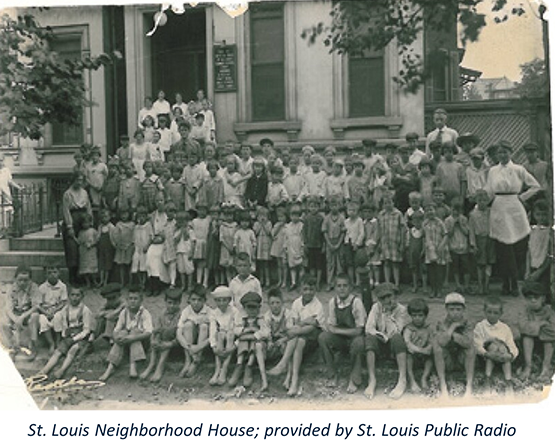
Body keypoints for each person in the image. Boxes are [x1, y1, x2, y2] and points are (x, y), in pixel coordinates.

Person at [485, 140, 541, 296]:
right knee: (502, 248)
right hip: (498, 208)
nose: (502, 155)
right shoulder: (492, 171)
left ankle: (515, 283)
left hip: (514, 207)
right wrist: (481, 200)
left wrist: (522, 198)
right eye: (499, 152)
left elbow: (535, 185)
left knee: (516, 247)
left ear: (511, 152)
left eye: (505, 152)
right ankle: (505, 283)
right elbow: (489, 191)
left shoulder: (518, 169)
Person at [268, 275, 325, 397]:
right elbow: (294, 324)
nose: (308, 292)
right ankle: (291, 379)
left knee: (297, 336)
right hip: (299, 336)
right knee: (298, 340)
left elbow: (313, 326)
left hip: (313, 337)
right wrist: (303, 322)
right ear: (300, 290)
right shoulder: (296, 303)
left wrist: (299, 326)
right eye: (305, 289)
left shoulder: (317, 305)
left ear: (315, 290)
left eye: (311, 289)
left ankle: (285, 368)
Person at [318, 274, 366, 393]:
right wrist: (333, 330)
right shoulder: (333, 302)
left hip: (354, 339)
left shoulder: (356, 302)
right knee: (323, 337)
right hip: (341, 340)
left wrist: (337, 330)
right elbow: (331, 325)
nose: (342, 289)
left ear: (350, 288)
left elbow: (359, 330)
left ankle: (354, 378)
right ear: (335, 288)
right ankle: (332, 374)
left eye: (345, 286)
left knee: (359, 342)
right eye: (339, 286)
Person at [364, 283, 410, 400]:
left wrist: (388, 315)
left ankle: (402, 379)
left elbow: (396, 331)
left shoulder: (401, 310)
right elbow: (369, 327)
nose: (386, 300)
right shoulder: (376, 307)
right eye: (382, 298)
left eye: (389, 296)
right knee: (370, 338)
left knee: (397, 338)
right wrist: (379, 334)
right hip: (380, 342)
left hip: (394, 345)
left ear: (395, 296)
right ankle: (372, 379)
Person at [38, 287, 93, 379]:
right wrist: (64, 335)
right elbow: (63, 323)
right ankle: (44, 371)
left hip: (82, 338)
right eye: (72, 295)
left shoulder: (85, 310)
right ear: (68, 296)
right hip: (69, 336)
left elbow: (86, 330)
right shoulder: (66, 309)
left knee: (73, 350)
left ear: (82, 297)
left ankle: (61, 370)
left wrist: (74, 339)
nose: (74, 298)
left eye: (77, 295)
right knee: (58, 352)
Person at [99, 291, 153, 381]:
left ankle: (133, 366)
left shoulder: (144, 313)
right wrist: (117, 338)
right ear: (127, 300)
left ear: (141, 301)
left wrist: (132, 337)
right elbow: (116, 330)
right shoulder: (124, 312)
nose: (133, 301)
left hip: (141, 343)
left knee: (134, 331)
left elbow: (148, 333)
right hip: (126, 342)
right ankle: (109, 368)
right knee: (122, 333)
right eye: (130, 299)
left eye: (135, 299)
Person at [433, 293, 475, 398]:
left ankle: (469, 385)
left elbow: (467, 343)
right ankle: (443, 385)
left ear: (463, 310)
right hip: (448, 361)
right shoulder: (441, 322)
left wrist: (452, 335)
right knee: (437, 348)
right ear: (446, 309)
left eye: (458, 309)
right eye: (451, 309)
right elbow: (442, 342)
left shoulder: (468, 322)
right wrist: (452, 327)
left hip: (462, 361)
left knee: (471, 349)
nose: (455, 313)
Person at [473, 297, 519, 394]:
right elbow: (477, 344)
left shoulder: (504, 328)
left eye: (495, 313)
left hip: (502, 356)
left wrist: (510, 355)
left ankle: (508, 380)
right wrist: (486, 353)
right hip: (486, 357)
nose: (492, 315)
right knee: (494, 346)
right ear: (484, 312)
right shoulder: (480, 326)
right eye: (489, 312)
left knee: (502, 348)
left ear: (500, 314)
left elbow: (512, 345)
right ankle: (487, 378)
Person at [229, 292, 270, 391]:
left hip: (255, 344)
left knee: (253, 342)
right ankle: (239, 365)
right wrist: (246, 330)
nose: (252, 311)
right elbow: (236, 330)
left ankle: (249, 366)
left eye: (254, 308)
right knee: (243, 343)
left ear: (259, 308)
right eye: (249, 308)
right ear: (244, 308)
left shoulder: (260, 319)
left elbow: (266, 332)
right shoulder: (242, 319)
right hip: (243, 343)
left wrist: (254, 335)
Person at [517, 281, 555, 383]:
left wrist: (537, 328)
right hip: (529, 343)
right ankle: (528, 366)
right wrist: (539, 323)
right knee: (527, 337)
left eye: (536, 298)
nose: (533, 300)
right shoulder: (525, 310)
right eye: (529, 298)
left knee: (549, 338)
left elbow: (553, 330)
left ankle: (546, 367)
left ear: (543, 299)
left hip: (547, 343)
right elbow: (522, 327)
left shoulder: (549, 311)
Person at [62, 172, 93, 285]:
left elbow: (88, 207)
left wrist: (90, 221)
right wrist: (69, 226)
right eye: (77, 180)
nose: (79, 182)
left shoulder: (84, 192)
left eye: (81, 180)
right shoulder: (68, 194)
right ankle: (73, 277)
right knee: (72, 249)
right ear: (73, 180)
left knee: (83, 249)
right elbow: (66, 211)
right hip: (73, 220)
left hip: (84, 220)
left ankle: (82, 277)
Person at [4, 266, 41, 359]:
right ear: (15, 278)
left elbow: (36, 306)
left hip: (27, 314)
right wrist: (15, 319)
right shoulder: (11, 288)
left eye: (26, 280)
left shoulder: (34, 287)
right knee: (3, 321)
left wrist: (23, 316)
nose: (22, 283)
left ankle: (33, 346)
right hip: (16, 314)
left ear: (30, 280)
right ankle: (12, 347)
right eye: (20, 280)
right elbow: (8, 307)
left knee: (35, 316)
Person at [176, 285, 211, 378]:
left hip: (202, 342)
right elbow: (179, 333)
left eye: (199, 300)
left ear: (204, 300)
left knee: (204, 326)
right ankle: (188, 360)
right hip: (189, 342)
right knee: (187, 325)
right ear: (189, 300)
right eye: (193, 299)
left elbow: (213, 335)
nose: (196, 303)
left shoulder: (209, 311)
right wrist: (189, 348)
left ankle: (196, 361)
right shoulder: (186, 311)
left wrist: (199, 347)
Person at [209, 286, 239, 386]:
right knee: (220, 334)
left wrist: (235, 345)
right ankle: (217, 370)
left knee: (230, 334)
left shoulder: (234, 311)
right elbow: (212, 330)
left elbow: (239, 329)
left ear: (229, 300)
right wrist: (213, 346)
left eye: (224, 300)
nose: (221, 303)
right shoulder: (214, 313)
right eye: (218, 300)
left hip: (231, 338)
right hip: (220, 339)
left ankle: (224, 369)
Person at [403, 298, 434, 393]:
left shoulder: (428, 327)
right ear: (410, 316)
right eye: (414, 316)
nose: (417, 318)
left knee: (430, 359)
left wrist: (429, 348)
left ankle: (424, 378)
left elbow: (432, 340)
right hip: (413, 353)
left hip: (425, 354)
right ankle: (412, 380)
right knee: (408, 357)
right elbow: (407, 343)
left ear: (425, 316)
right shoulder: (409, 328)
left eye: (420, 315)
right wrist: (420, 350)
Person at [469, 190, 496, 295]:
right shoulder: (473, 214)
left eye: (485, 200)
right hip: (479, 239)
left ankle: (487, 285)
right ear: (476, 200)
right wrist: (473, 244)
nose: (482, 202)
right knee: (480, 264)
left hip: (490, 238)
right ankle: (480, 285)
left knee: (489, 263)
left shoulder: (491, 212)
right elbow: (471, 230)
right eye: (480, 200)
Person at [377, 192, 405, 290]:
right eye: (385, 203)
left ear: (393, 203)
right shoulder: (381, 214)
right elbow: (379, 229)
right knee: (386, 262)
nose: (387, 205)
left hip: (395, 242)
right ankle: (387, 283)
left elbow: (402, 229)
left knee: (395, 263)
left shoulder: (398, 214)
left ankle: (396, 284)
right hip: (385, 242)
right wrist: (379, 242)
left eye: (389, 202)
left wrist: (402, 243)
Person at [525, 199, 552, 295]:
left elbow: (551, 254)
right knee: (533, 294)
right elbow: (529, 251)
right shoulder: (533, 230)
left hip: (545, 269)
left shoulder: (550, 232)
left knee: (544, 295)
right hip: (533, 267)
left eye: (544, 214)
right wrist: (527, 270)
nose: (541, 218)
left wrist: (539, 272)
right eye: (538, 214)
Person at [422, 203, 449, 299]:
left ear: (435, 211)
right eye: (427, 210)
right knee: (431, 271)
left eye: (431, 210)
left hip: (439, 249)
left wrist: (442, 245)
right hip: (429, 250)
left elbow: (446, 234)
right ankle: (433, 289)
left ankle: (439, 290)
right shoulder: (425, 223)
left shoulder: (440, 222)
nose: (430, 212)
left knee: (439, 270)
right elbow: (423, 236)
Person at [445, 198, 471, 294]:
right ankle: (458, 285)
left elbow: (467, 232)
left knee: (466, 267)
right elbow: (448, 234)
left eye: (458, 210)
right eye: (453, 210)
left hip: (463, 247)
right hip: (453, 247)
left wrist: (460, 225)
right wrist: (453, 226)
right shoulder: (448, 220)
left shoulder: (464, 219)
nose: (456, 212)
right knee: (455, 267)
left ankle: (467, 285)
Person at [322, 196, 346, 291]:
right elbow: (324, 232)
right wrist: (329, 244)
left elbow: (343, 232)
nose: (334, 208)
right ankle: (330, 283)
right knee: (330, 264)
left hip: (339, 242)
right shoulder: (327, 218)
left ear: (339, 206)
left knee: (340, 263)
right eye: (332, 205)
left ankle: (340, 284)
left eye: (336, 205)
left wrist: (338, 244)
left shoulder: (342, 218)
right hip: (330, 242)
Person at [264, 288, 292, 364]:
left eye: (277, 302)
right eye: (272, 303)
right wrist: (269, 341)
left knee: (284, 346)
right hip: (273, 339)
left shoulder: (287, 314)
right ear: (268, 304)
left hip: (285, 338)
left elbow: (290, 331)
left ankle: (285, 364)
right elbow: (267, 331)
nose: (275, 306)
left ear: (282, 303)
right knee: (268, 348)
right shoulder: (267, 316)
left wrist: (283, 339)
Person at [303, 197, 325, 290]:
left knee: (319, 265)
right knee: (311, 265)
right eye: (311, 206)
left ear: (319, 207)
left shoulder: (321, 218)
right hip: (310, 245)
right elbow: (304, 232)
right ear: (308, 207)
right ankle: (312, 283)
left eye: (315, 206)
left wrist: (324, 244)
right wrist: (305, 243)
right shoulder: (306, 218)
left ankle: (318, 283)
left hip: (319, 244)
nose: (313, 208)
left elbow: (323, 232)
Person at [283, 204, 304, 290]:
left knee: (300, 264)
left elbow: (303, 237)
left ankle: (301, 282)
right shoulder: (287, 226)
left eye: (297, 215)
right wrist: (285, 247)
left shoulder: (301, 225)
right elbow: (286, 237)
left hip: (298, 245)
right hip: (291, 246)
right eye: (293, 215)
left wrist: (302, 247)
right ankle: (293, 282)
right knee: (292, 266)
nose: (294, 217)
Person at [77, 213, 99, 288]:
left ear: (90, 222)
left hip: (91, 251)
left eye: (87, 222)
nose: (85, 224)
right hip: (84, 251)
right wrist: (83, 243)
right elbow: (79, 241)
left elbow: (97, 240)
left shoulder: (93, 231)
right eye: (83, 223)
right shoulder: (81, 232)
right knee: (85, 267)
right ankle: (87, 282)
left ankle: (94, 281)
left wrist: (92, 244)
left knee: (92, 266)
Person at [253, 206, 273, 287]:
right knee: (260, 264)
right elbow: (255, 232)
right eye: (260, 216)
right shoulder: (256, 224)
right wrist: (260, 225)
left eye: (264, 216)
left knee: (266, 264)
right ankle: (261, 280)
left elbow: (269, 232)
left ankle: (268, 280)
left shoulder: (269, 223)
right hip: (259, 244)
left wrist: (264, 225)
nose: (262, 218)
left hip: (266, 244)